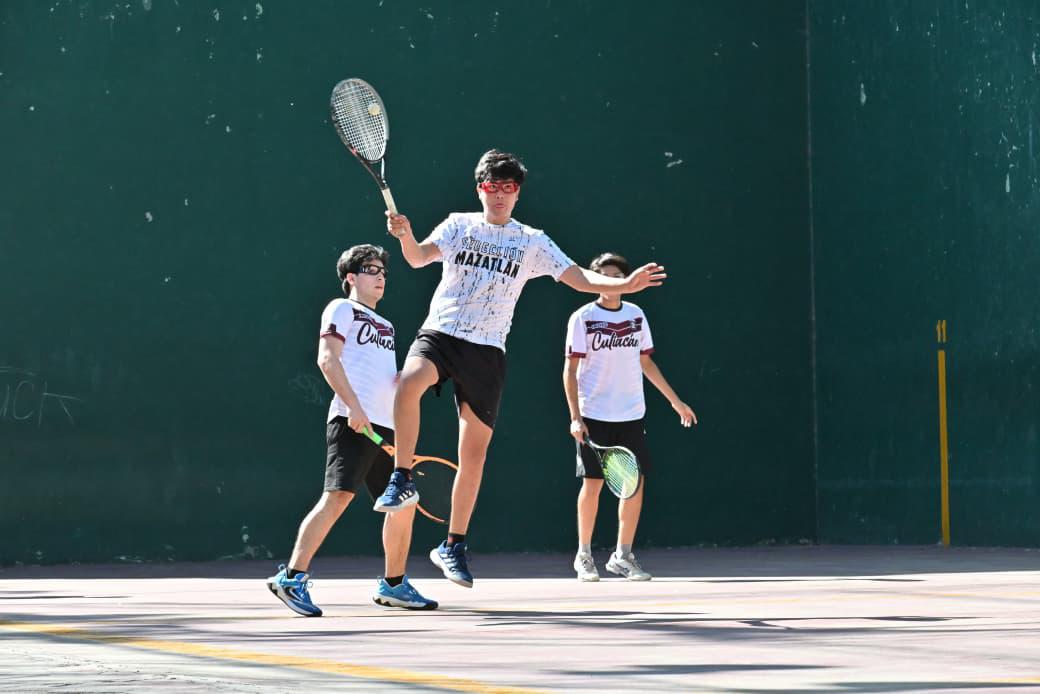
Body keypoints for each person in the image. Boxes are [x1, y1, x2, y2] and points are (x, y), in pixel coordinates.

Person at [373, 149, 666, 588]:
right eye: (493, 187)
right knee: (409, 384)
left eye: (510, 188)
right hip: (443, 332)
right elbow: (417, 258)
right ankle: (400, 477)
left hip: (488, 350)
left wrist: (623, 284)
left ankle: (453, 545)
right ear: (480, 188)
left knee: (473, 456)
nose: (501, 195)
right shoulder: (458, 225)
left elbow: (580, 278)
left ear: (518, 193)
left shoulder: (532, 241)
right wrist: (405, 235)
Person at [266, 244, 437, 615]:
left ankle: (394, 585)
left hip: (385, 428)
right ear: (351, 277)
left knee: (404, 504)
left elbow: (381, 376)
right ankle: (291, 577)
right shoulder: (341, 308)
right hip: (351, 421)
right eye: (371, 270)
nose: (380, 278)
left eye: (383, 273)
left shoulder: (387, 326)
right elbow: (327, 359)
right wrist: (354, 408)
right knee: (338, 497)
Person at [563, 252, 696, 582]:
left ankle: (622, 556)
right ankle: (584, 555)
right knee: (592, 485)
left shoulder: (636, 315)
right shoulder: (582, 318)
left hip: (631, 415)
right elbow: (570, 370)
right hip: (593, 415)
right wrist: (575, 417)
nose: (610, 283)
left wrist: (675, 402)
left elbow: (646, 363)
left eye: (615, 276)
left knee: (633, 487)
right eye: (603, 277)